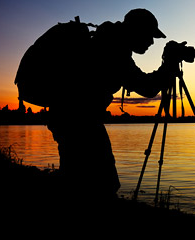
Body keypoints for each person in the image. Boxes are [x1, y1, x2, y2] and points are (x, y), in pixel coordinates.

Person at [47, 9, 177, 198]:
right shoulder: (112, 48)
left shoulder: (109, 41)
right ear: (136, 30)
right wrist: (168, 65)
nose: (151, 42)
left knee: (79, 179)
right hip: (78, 122)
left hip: (71, 119)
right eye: (149, 35)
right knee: (102, 184)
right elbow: (146, 87)